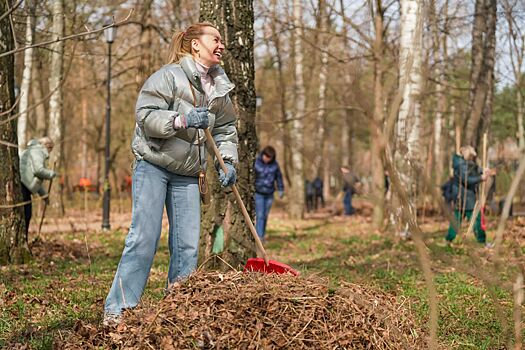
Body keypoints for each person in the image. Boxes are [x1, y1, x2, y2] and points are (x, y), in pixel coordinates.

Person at [104, 22, 238, 325]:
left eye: (222, 41)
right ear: (195, 45)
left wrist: (227, 162)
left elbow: (227, 129)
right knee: (144, 238)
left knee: (188, 246)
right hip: (154, 164)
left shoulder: (219, 89)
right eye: (215, 39)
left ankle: (178, 312)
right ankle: (118, 311)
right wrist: (182, 119)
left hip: (189, 174)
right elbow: (145, 115)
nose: (221, 45)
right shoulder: (168, 76)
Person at [445, 146, 494, 246]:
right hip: (464, 198)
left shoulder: (464, 163)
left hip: (465, 197)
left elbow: (473, 168)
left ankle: (448, 240)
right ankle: (482, 241)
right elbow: (467, 179)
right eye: (471, 156)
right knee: (476, 219)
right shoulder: (460, 165)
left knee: (457, 220)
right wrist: (481, 178)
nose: (472, 158)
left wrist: (483, 170)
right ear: (466, 154)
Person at [19, 137, 57, 238]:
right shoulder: (37, 151)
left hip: (24, 186)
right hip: (23, 187)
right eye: (50, 149)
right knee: (26, 215)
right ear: (47, 146)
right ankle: (23, 240)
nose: (50, 152)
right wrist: (51, 174)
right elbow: (38, 170)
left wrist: (44, 195)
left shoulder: (34, 151)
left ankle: (24, 239)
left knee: (26, 215)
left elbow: (33, 179)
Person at [254, 146, 284, 241]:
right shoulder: (256, 163)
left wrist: (281, 189)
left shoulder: (275, 165)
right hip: (258, 193)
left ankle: (262, 234)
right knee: (260, 215)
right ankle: (259, 237)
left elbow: (279, 178)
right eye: (265, 156)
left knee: (265, 215)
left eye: (269, 157)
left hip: (269, 194)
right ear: (263, 154)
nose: (266, 158)